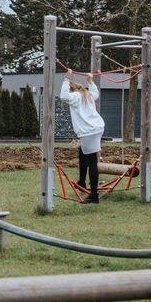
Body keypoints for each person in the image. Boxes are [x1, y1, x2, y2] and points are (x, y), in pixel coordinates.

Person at [60, 69, 106, 203]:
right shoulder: (88, 95)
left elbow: (63, 96)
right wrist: (90, 81)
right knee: (82, 151)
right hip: (97, 128)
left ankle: (94, 196)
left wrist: (66, 78)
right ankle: (81, 181)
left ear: (72, 90)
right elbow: (96, 93)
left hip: (88, 132)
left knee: (92, 162)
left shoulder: (75, 96)